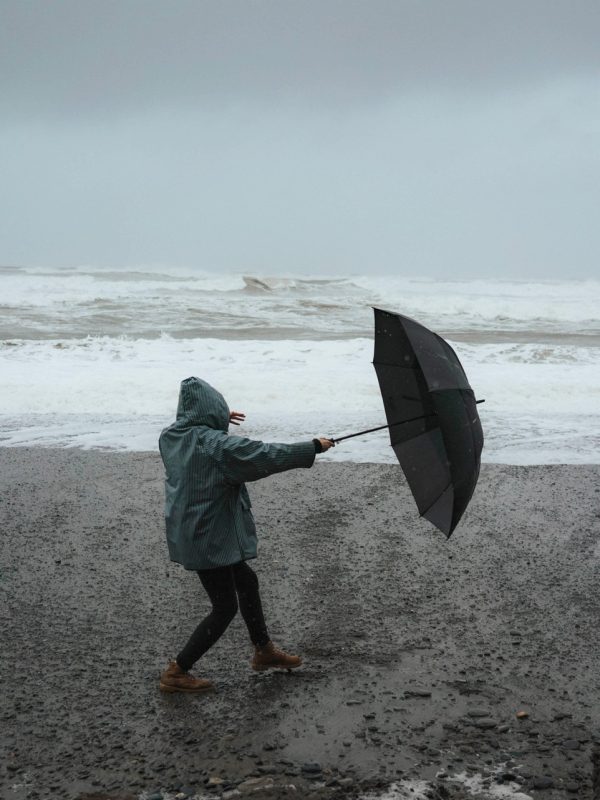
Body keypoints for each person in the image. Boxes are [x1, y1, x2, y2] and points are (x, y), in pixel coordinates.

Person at [157, 376, 334, 693]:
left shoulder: (170, 437)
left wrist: (216, 419)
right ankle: (177, 671)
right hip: (208, 538)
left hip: (191, 530)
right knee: (224, 606)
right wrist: (312, 448)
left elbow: (198, 435)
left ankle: (264, 651)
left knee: (246, 581)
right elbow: (265, 455)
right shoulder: (216, 445)